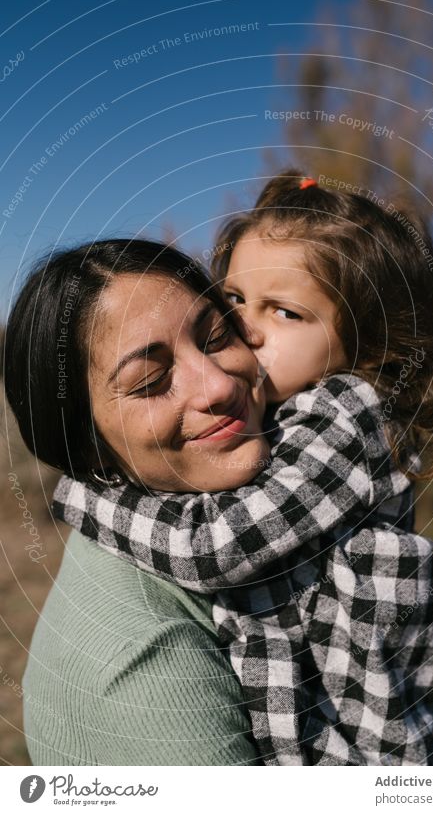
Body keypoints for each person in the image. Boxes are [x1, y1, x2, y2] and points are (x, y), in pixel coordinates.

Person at [53, 171, 433, 766]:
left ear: (367, 345)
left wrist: (82, 492)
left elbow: (212, 546)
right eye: (237, 299)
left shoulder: (349, 418)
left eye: (287, 312)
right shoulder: (276, 415)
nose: (246, 327)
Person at [4, 239, 269, 765]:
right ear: (88, 447)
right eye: (150, 382)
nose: (216, 384)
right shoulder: (141, 658)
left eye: (216, 337)